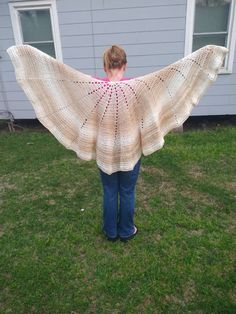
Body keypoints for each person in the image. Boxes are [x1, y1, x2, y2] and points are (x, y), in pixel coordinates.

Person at [95, 45, 142, 242]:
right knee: (127, 190)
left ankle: (110, 231)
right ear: (125, 65)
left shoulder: (95, 87)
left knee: (110, 190)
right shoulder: (137, 86)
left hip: (106, 148)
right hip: (129, 148)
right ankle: (126, 230)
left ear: (105, 66)